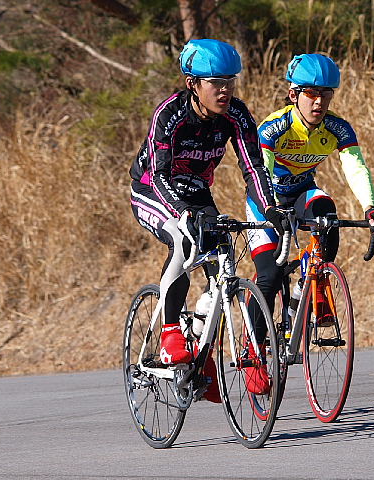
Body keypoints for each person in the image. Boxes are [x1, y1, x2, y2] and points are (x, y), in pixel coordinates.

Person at [129, 39, 285, 401]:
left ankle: (204, 353)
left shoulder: (238, 114)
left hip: (197, 192)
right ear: (192, 84)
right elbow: (160, 171)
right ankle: (169, 334)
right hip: (154, 189)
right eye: (215, 82)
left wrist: (271, 209)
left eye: (230, 80)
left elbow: (253, 168)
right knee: (184, 241)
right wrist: (183, 215)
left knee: (222, 268)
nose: (225, 89)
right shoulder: (170, 113)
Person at [247, 53, 374, 324]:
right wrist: (271, 208)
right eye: (311, 93)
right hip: (265, 199)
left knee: (326, 211)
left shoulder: (338, 128)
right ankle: (254, 351)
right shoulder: (274, 128)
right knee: (269, 276)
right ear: (293, 94)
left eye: (326, 94)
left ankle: (312, 285)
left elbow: (356, 167)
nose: (319, 102)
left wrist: (370, 207)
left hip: (301, 192)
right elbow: (260, 171)